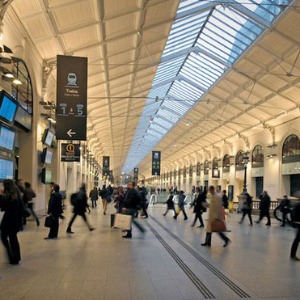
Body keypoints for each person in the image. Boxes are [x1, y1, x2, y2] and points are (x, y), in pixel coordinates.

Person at [0, 179, 24, 265]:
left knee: (3, 237)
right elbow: (21, 207)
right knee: (13, 238)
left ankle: (11, 257)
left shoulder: (7, 195)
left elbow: (2, 206)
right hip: (16, 220)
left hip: (8, 220)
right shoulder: (17, 194)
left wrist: (1, 194)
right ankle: (16, 257)